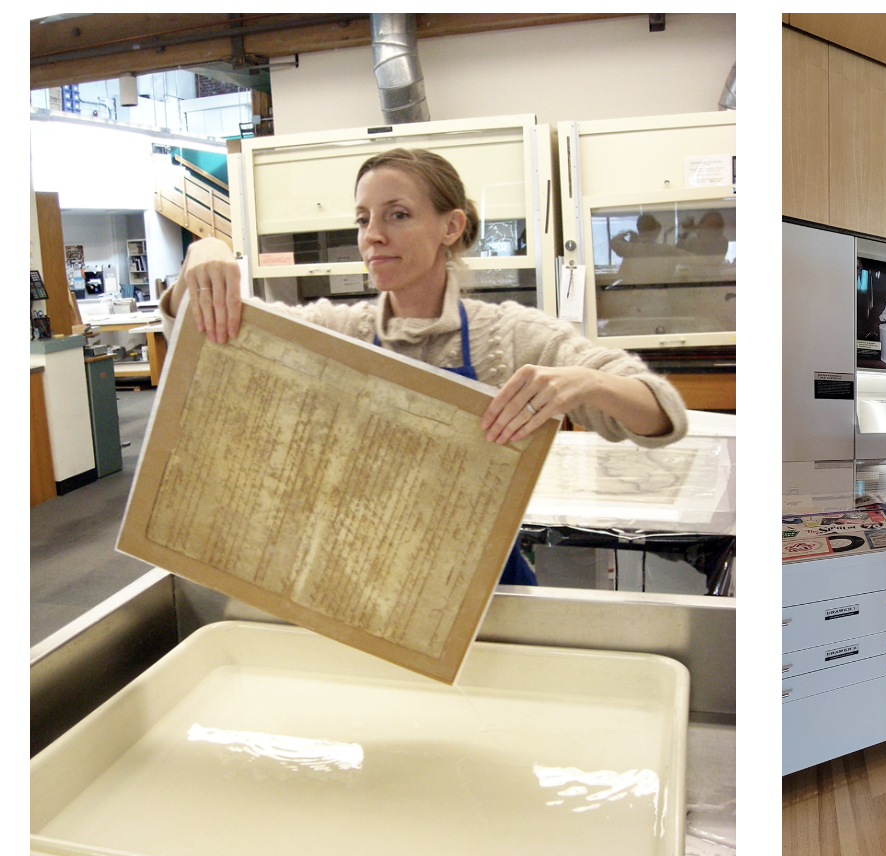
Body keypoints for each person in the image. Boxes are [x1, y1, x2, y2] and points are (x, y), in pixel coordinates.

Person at [161, 148, 687, 585]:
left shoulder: (508, 337)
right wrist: (204, 252)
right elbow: (207, 335)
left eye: (398, 215)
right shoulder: (337, 332)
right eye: (363, 219)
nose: (373, 235)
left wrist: (586, 382)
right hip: (358, 582)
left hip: (485, 592)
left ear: (451, 226)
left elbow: (662, 416)